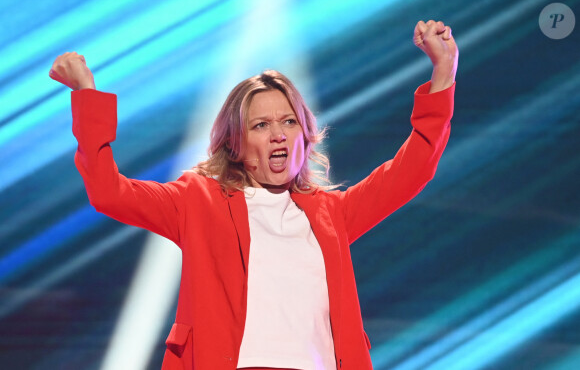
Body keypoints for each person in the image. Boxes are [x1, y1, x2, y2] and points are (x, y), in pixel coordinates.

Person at [50, 19, 458, 370]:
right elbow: (108, 191)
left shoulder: (332, 213)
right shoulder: (196, 200)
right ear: (236, 144)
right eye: (261, 125)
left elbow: (412, 170)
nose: (278, 133)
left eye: (288, 122)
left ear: (305, 134)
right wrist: (87, 95)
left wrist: (443, 72)